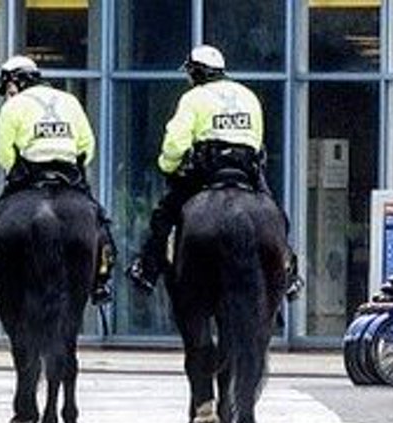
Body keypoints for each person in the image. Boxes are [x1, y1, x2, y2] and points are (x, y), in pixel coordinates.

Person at [126, 45, 304, 299]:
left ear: (196, 73)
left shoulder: (193, 98)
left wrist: (168, 166)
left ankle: (147, 270)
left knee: (164, 217)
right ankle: (289, 273)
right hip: (247, 169)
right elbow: (257, 139)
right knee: (277, 217)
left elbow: (176, 144)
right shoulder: (248, 95)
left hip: (207, 171)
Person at [0, 55, 114, 309]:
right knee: (100, 224)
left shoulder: (12, 107)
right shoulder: (70, 101)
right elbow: (87, 145)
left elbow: (3, 151)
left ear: (15, 81)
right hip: (68, 175)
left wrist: (14, 169)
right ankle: (102, 279)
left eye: (8, 89)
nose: (7, 94)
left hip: (28, 175)